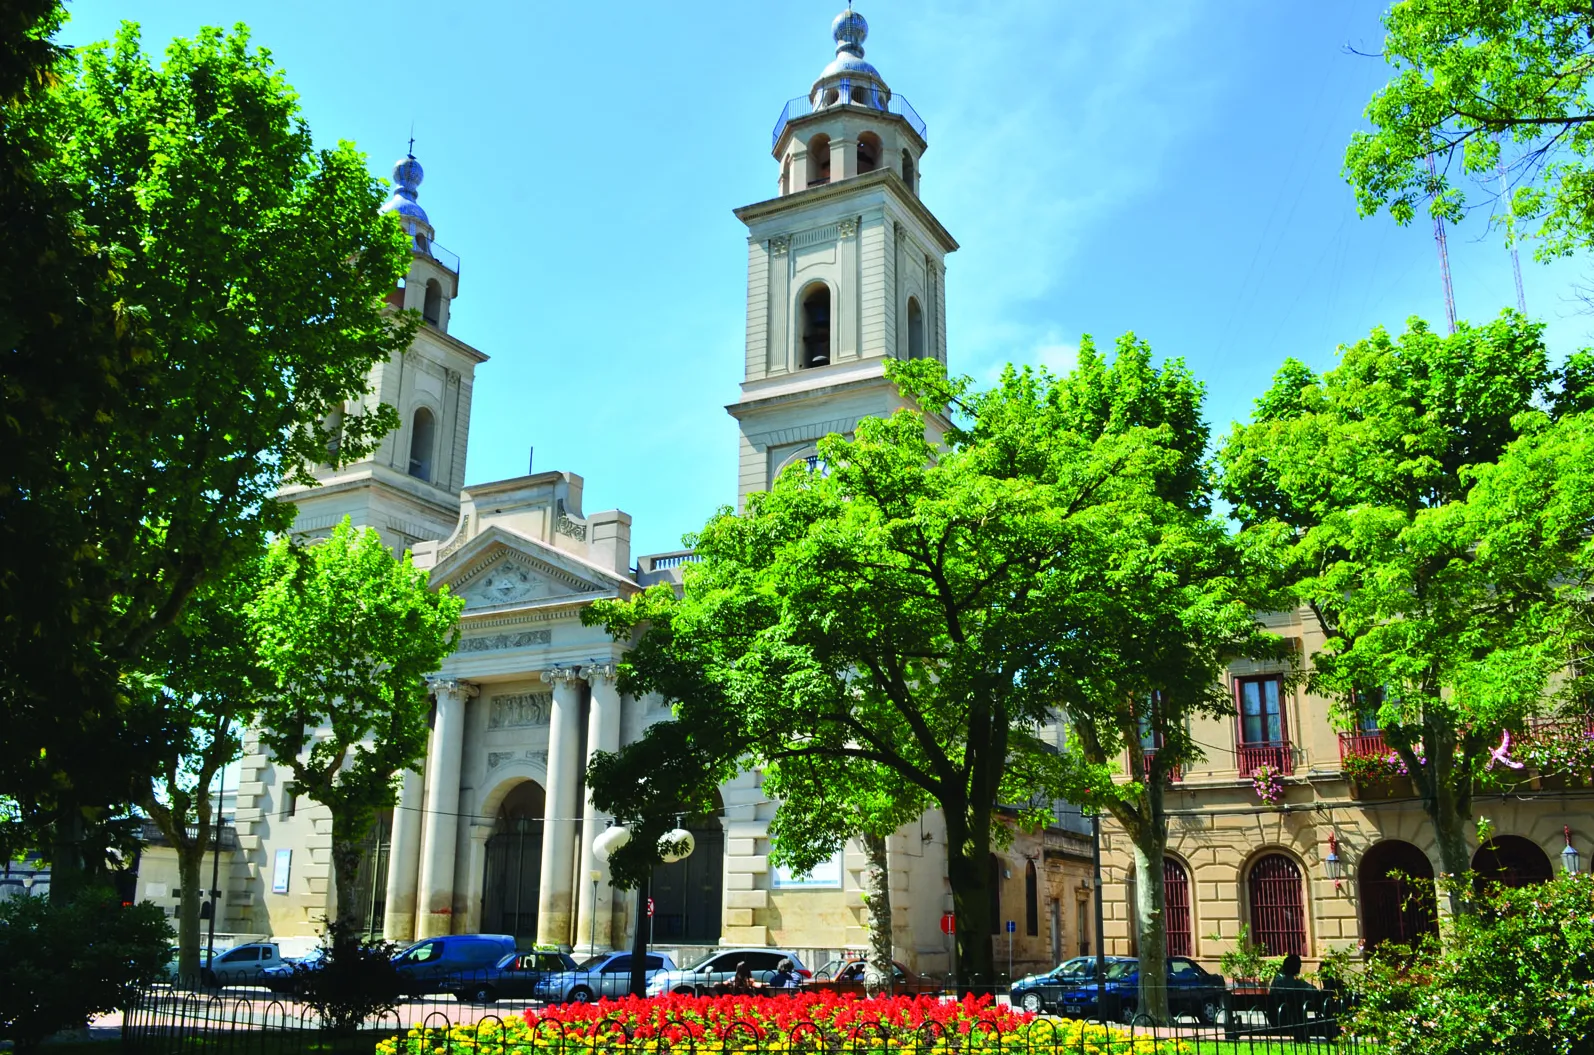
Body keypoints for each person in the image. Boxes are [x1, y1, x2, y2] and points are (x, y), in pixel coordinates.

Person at [1268, 954, 1317, 1035]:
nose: (1300, 967)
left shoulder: (1277, 978)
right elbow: (1313, 989)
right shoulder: (1294, 981)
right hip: (1290, 1020)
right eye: (1299, 965)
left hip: (1275, 1018)